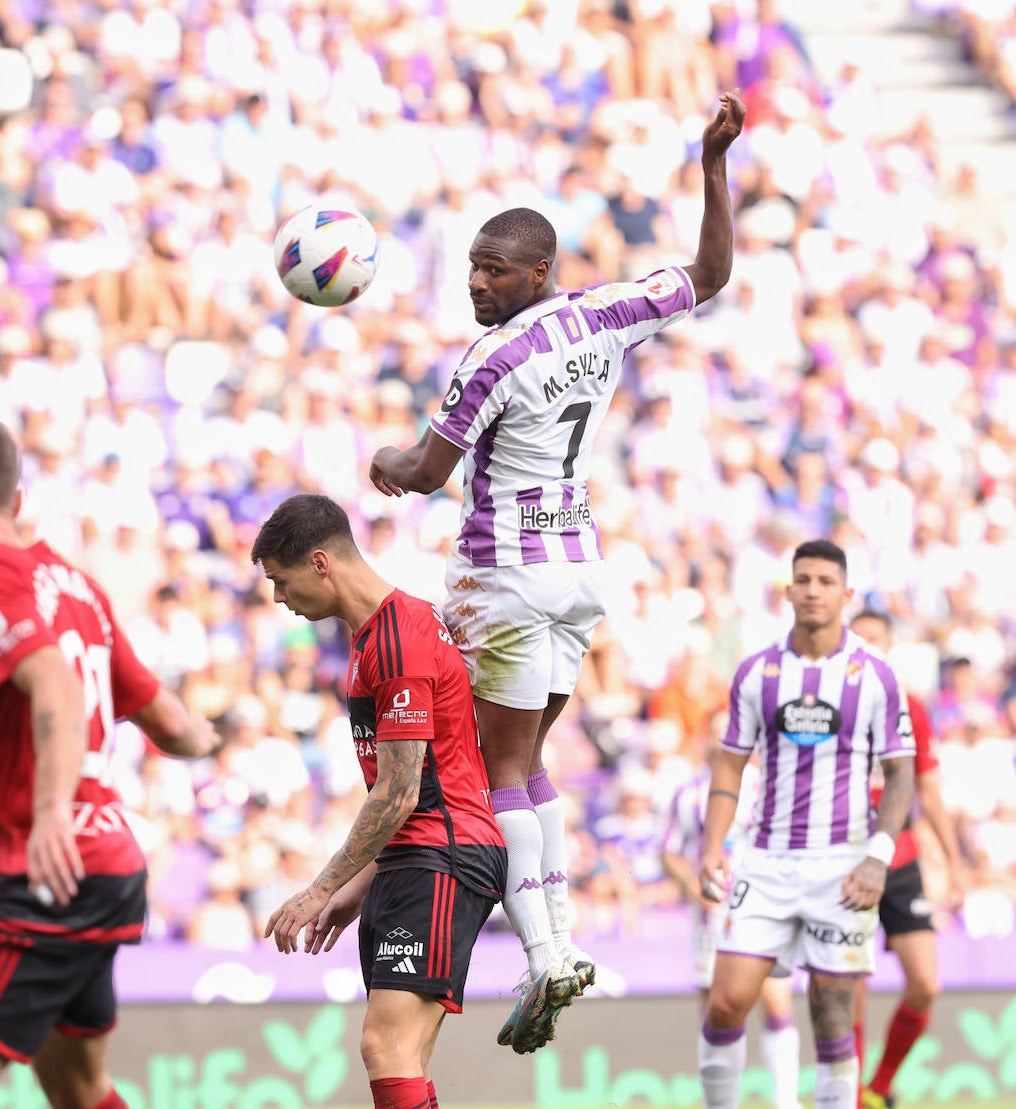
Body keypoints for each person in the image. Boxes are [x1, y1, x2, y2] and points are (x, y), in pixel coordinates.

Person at [368, 90, 746, 1051]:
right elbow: (708, 273)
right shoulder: (608, 312)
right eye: (471, 270)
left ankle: (544, 952)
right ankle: (558, 942)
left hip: (504, 579)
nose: (478, 285)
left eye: (494, 270)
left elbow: (425, 472)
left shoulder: (491, 358)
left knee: (497, 770)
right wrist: (712, 164)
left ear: (539, 271)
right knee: (531, 769)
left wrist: (383, 466)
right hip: (581, 573)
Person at [0, 415, 218, 1109]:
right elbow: (169, 721)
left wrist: (48, 813)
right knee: (75, 1086)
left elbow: (55, 681)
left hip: (50, 867)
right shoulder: (76, 586)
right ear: (17, 500)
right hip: (108, 861)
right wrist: (211, 740)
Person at [252, 494, 508, 1095]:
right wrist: (357, 890)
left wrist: (321, 890)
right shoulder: (375, 636)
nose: (278, 598)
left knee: (384, 1045)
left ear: (320, 563)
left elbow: (400, 792)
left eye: (281, 581)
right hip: (415, 856)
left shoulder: (399, 638)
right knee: (400, 1056)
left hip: (443, 853)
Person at [698, 540, 916, 1109]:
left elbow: (901, 775)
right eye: (803, 580)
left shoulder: (875, 674)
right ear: (789, 589)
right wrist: (711, 845)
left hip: (843, 865)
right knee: (725, 1002)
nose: (813, 590)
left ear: (845, 594)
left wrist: (878, 856)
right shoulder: (757, 671)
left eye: (825, 581)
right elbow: (730, 760)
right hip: (766, 862)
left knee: (832, 1013)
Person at [849, 610, 968, 1109]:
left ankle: (878, 1088)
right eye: (862, 640)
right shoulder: (836, 705)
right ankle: (851, 1096)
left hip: (903, 861)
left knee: (925, 984)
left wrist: (954, 862)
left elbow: (928, 791)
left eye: (878, 639)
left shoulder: (911, 707)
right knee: (848, 988)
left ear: (890, 646)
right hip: (848, 863)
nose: (870, 648)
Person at [662, 735, 801, 1109]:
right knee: (715, 1007)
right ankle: (721, 1101)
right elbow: (671, 851)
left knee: (776, 997)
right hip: (710, 913)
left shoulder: (767, 784)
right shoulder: (688, 793)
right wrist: (692, 885)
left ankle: (787, 1101)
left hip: (762, 905)